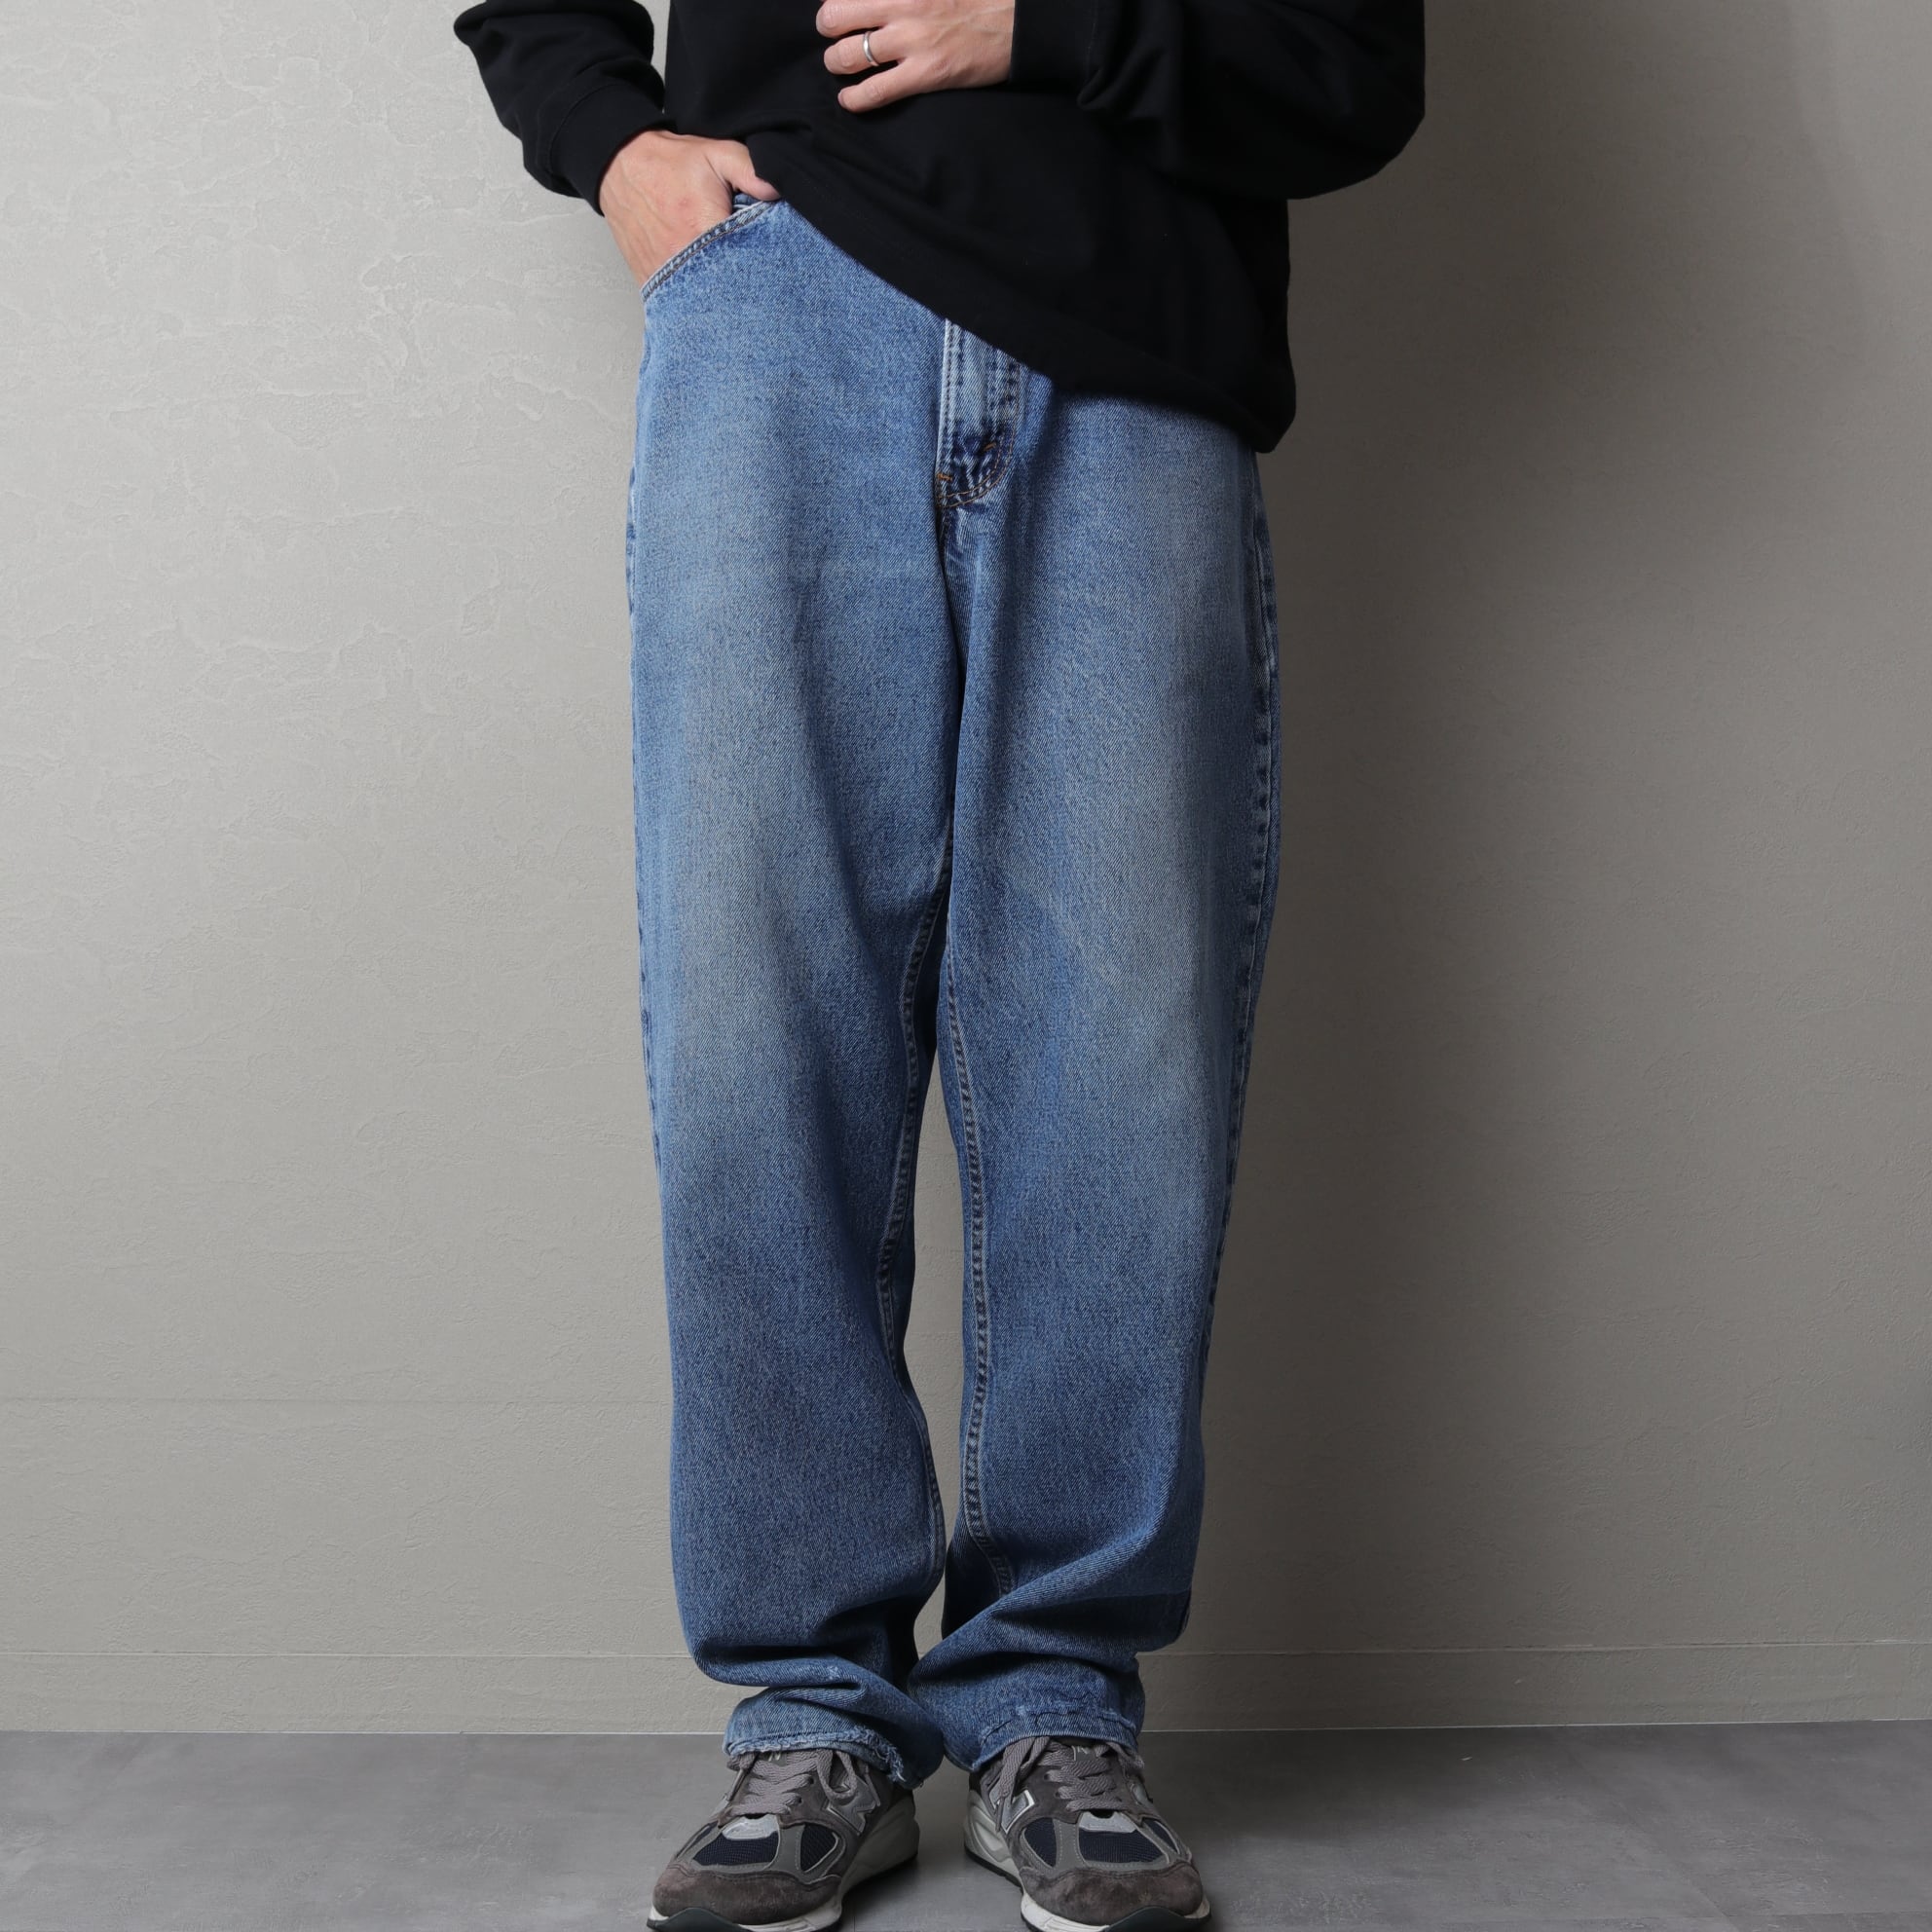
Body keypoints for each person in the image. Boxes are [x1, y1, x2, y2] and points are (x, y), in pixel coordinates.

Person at [453, 3, 1425, 1927]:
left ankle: (1052, 1698)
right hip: (779, 302)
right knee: (758, 1039)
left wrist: (1046, 28)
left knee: (1114, 1065)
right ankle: (810, 1705)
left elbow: (1350, 70)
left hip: (1130, 337)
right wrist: (612, 143)